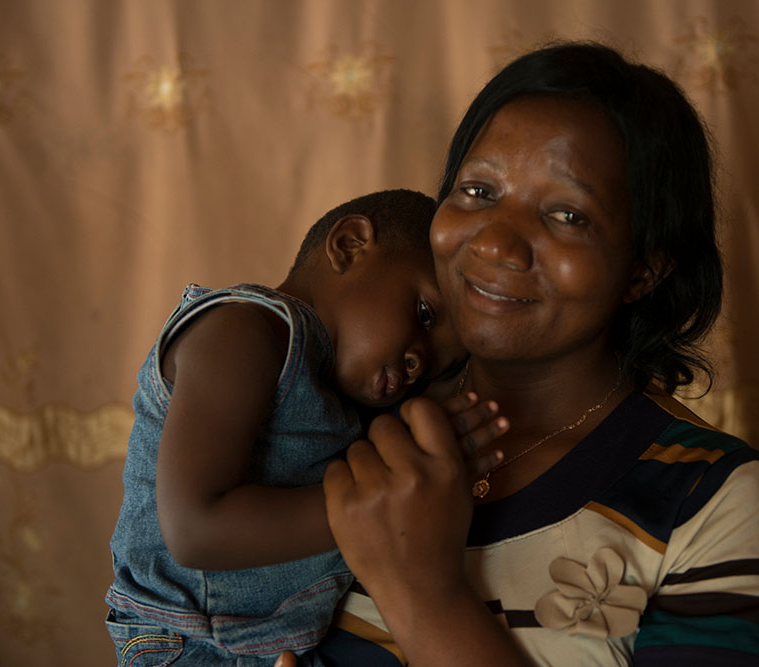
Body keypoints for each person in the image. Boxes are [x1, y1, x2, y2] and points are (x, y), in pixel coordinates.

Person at [305, 42, 759, 666]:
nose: (497, 244)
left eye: (566, 214)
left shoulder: (710, 496)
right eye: (479, 191)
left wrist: (424, 596)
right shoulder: (351, 416)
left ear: (644, 269)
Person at [104, 188, 508, 666]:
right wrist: (378, 509)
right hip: (191, 642)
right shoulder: (245, 331)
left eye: (440, 364)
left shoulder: (337, 392)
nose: (420, 359)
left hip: (273, 646)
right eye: (423, 313)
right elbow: (194, 529)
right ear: (350, 246)